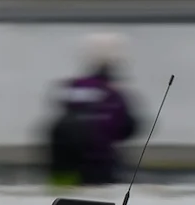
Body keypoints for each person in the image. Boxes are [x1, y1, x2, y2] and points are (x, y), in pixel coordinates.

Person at [47, 33, 140, 186]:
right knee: (99, 191)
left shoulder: (72, 87)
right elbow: (127, 127)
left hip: (61, 152)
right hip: (96, 156)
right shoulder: (113, 94)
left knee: (61, 189)